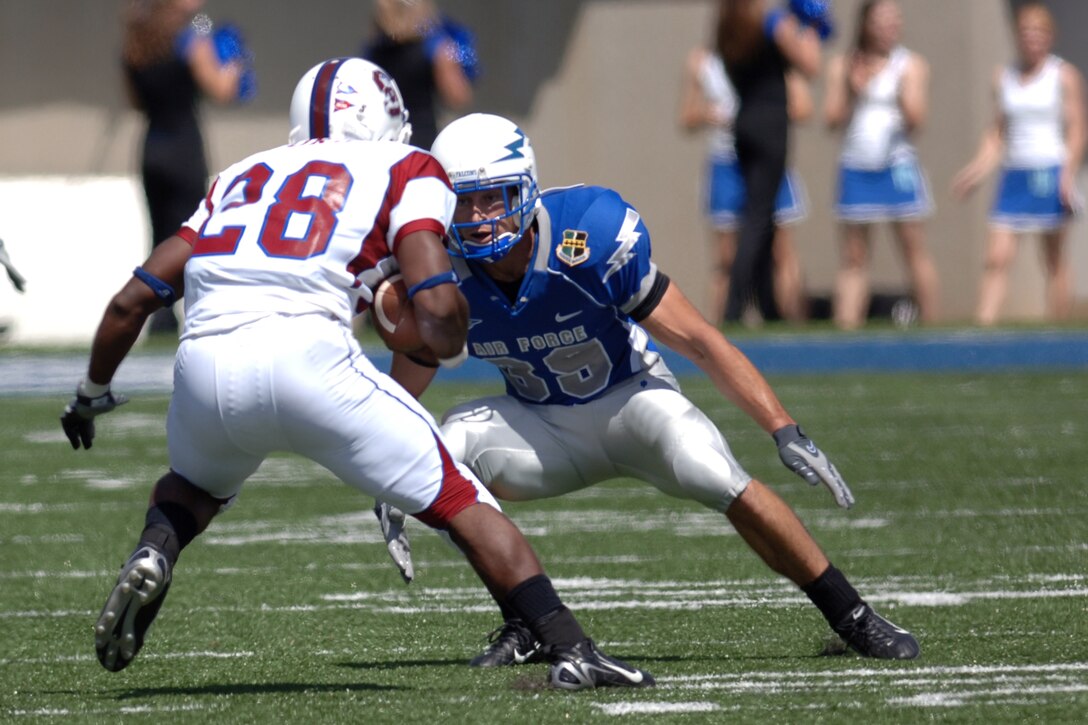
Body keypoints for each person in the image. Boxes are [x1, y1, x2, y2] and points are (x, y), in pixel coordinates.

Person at [59, 58, 652, 691]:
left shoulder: (239, 174)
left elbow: (133, 300)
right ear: (383, 116)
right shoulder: (404, 166)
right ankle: (570, 645)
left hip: (204, 361)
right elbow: (431, 292)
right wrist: (445, 334)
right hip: (308, 357)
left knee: (192, 485)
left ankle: (157, 545)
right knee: (461, 499)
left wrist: (90, 393)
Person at [379, 113, 921, 667]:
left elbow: (701, 342)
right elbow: (405, 388)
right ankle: (530, 623)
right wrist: (396, 473)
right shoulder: (443, 270)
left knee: (715, 472)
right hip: (540, 427)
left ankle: (852, 615)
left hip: (632, 405)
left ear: (525, 189)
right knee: (448, 448)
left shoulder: (586, 232)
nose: (477, 219)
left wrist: (783, 428)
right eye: (463, 204)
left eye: (492, 199)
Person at [952, 2, 1085, 326]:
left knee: (1052, 258)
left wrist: (1067, 176)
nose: (1032, 39)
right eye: (1026, 32)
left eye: (1039, 32)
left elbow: (1077, 130)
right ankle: (983, 328)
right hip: (1014, 174)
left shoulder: (1063, 75)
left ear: (1050, 37)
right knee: (997, 256)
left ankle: (1058, 329)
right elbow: (998, 133)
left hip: (1048, 171)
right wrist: (977, 170)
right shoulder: (1005, 76)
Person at [122, 0, 246, 335]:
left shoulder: (136, 46)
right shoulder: (192, 42)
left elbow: (135, 102)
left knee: (159, 235)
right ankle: (197, 311)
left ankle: (160, 317)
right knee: (193, 235)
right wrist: (234, 61)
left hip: (152, 145)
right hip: (183, 147)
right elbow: (221, 89)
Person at [824, 0, 939, 330]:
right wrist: (853, 88)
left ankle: (934, 328)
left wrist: (900, 90)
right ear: (866, 24)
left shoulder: (910, 65)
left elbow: (917, 120)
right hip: (856, 166)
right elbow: (831, 119)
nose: (890, 26)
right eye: (882, 20)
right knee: (854, 256)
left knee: (912, 247)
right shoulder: (844, 64)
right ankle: (847, 328)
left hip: (897, 165)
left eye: (895, 20)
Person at [679, 42, 813, 324]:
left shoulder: (774, 52)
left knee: (781, 251)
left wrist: (754, 116)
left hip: (766, 159)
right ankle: (721, 331)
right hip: (725, 163)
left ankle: (797, 328)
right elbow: (687, 117)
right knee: (725, 256)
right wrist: (708, 114)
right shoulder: (703, 59)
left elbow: (802, 107)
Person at [716, 0, 823, 323]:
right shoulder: (774, 24)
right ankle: (733, 308)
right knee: (759, 216)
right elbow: (810, 65)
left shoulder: (728, 27)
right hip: (770, 125)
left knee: (765, 215)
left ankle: (768, 305)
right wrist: (813, 26)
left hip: (744, 121)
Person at [362, 0, 475, 151]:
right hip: (419, 141)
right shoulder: (436, 48)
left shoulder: (373, 50)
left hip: (384, 142)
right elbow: (458, 97)